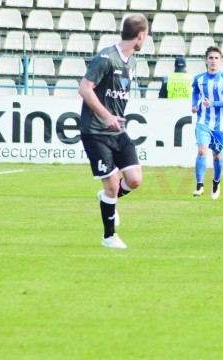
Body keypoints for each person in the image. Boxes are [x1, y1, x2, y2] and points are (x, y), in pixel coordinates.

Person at [78, 14, 148, 249]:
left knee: (135, 180)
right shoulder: (106, 58)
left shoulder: (133, 62)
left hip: (118, 132)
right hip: (95, 131)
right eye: (145, 35)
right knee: (111, 185)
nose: (145, 39)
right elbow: (85, 89)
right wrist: (106, 115)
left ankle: (110, 202)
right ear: (140, 35)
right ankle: (109, 236)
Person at [191, 46, 223, 199]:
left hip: (221, 124)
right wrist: (194, 105)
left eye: (216, 58)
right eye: (211, 58)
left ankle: (216, 182)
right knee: (202, 150)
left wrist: (213, 104)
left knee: (217, 156)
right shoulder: (199, 79)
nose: (213, 61)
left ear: (220, 61)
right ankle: (199, 185)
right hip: (203, 121)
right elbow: (195, 92)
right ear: (206, 61)